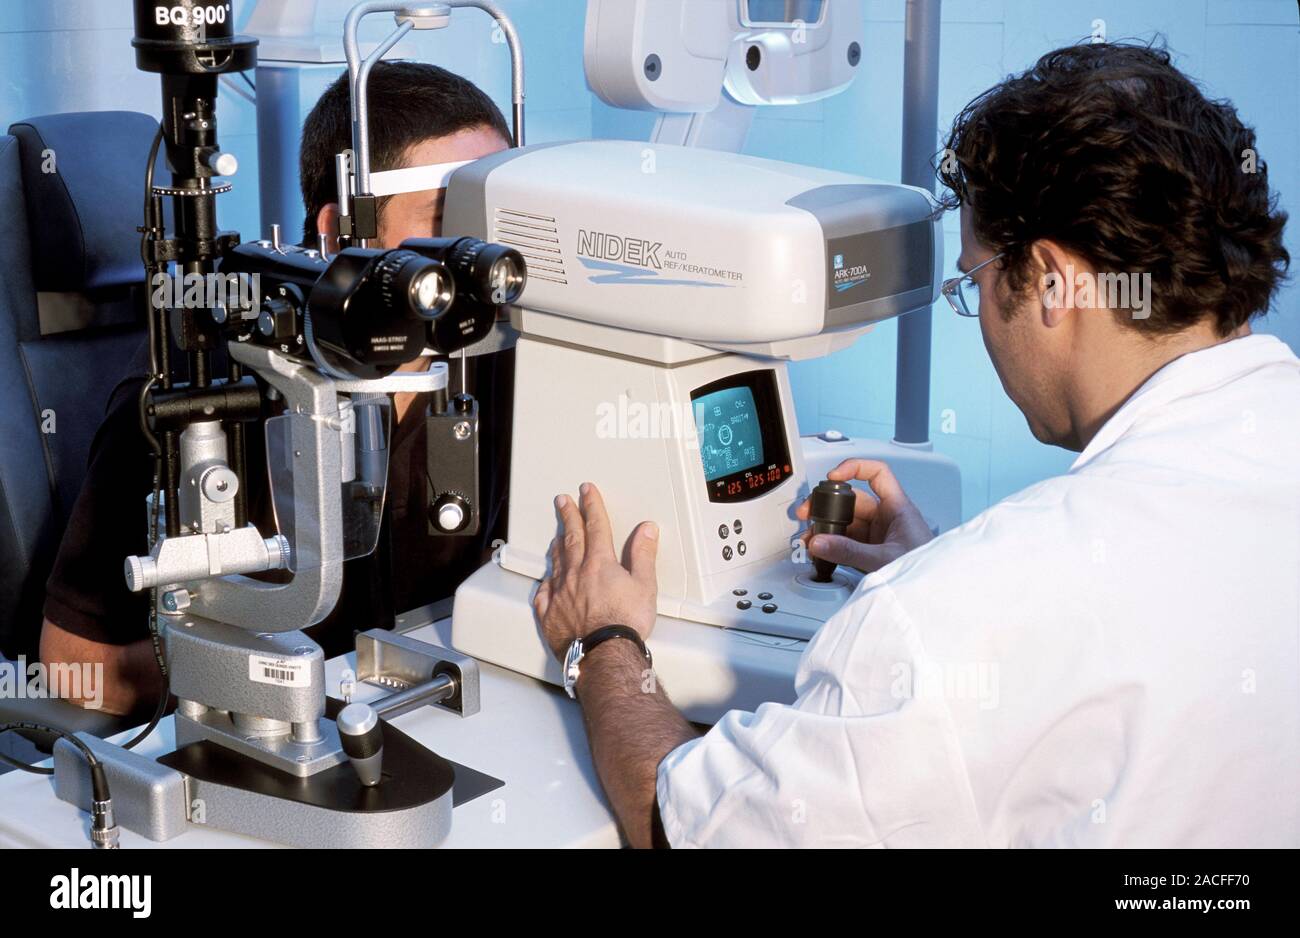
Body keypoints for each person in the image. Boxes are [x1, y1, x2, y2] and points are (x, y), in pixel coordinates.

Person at [533, 42, 1298, 847]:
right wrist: (942, 579)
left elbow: (677, 822)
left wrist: (604, 640)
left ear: (1047, 278)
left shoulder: (954, 619)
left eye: (974, 282)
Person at [40, 62, 514, 718]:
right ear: (341, 229)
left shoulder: (497, 365)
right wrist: (250, 680)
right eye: (447, 216)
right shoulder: (196, 392)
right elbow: (76, 671)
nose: (477, 256)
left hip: (444, 710)